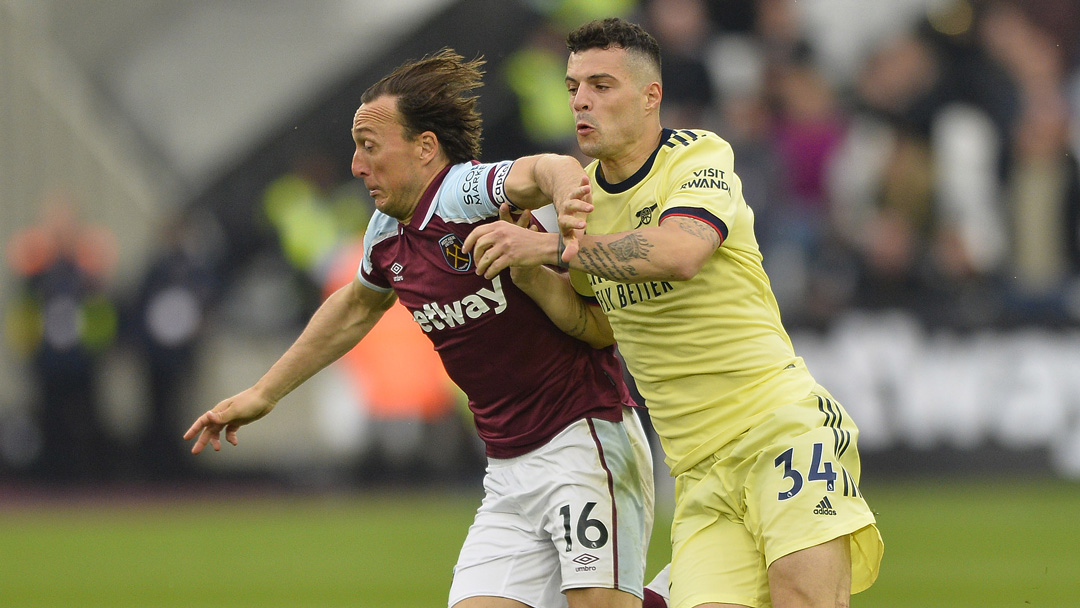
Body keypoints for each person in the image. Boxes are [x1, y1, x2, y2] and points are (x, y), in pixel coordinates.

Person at [183, 49, 654, 608]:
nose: (357, 165)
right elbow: (356, 306)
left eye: (370, 147)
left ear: (425, 148)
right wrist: (263, 394)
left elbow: (542, 169)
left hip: (584, 437)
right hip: (507, 468)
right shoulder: (385, 234)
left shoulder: (460, 192)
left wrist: (565, 194)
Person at [463, 18, 883, 608]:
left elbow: (682, 252)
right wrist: (531, 274)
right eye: (573, 86)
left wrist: (554, 248)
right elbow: (600, 323)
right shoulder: (580, 201)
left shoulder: (698, 159)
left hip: (779, 429)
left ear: (650, 96)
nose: (581, 99)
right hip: (699, 471)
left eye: (602, 85)